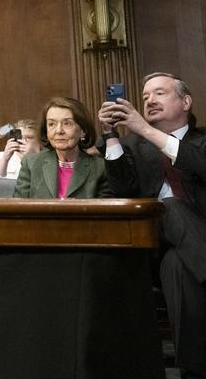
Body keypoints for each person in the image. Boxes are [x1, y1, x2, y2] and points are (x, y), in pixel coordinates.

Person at [99, 72, 206, 378]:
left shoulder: (202, 141)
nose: (149, 101)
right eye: (145, 97)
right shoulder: (135, 147)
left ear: (185, 102)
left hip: (184, 251)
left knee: (177, 267)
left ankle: (193, 373)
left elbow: (199, 163)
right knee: (168, 207)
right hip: (152, 246)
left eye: (159, 93)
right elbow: (122, 192)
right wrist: (111, 135)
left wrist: (145, 129)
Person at [14, 97, 109, 199]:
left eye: (67, 123)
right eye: (52, 124)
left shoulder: (100, 168)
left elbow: (103, 213)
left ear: (83, 131)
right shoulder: (31, 163)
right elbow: (17, 209)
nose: (59, 130)